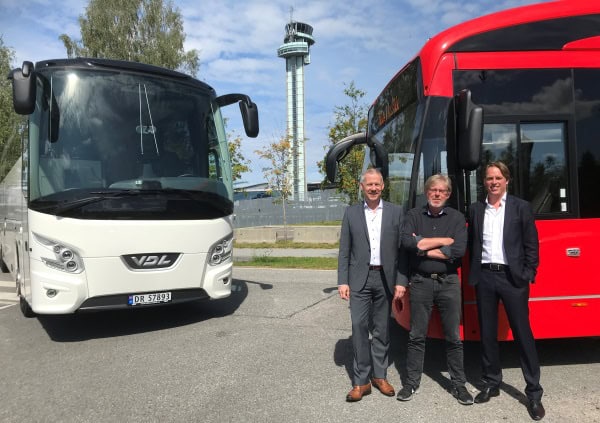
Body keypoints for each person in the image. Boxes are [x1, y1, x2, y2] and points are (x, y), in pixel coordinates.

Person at [468, 161, 545, 421]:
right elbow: (473, 244)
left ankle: (534, 393)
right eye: (489, 178)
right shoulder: (476, 209)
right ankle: (491, 382)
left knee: (523, 333)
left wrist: (528, 273)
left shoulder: (521, 207)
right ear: (484, 182)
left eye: (498, 178)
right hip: (485, 277)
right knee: (487, 333)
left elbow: (531, 244)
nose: (493, 182)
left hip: (512, 279)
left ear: (506, 180)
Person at [396, 174, 473, 405]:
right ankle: (411, 383)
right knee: (416, 336)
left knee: (453, 337)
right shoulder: (413, 215)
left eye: (442, 191)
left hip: (449, 283)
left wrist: (421, 246)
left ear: (448, 194)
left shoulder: (457, 218)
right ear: (426, 191)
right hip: (420, 282)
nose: (437, 194)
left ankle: (459, 385)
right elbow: (407, 243)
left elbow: (458, 251)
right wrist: (444, 241)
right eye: (433, 190)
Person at [338, 167, 408, 402]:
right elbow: (344, 250)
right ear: (362, 187)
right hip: (360, 278)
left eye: (377, 184)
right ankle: (361, 381)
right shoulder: (351, 213)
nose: (374, 188)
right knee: (359, 326)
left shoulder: (396, 212)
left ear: (383, 186)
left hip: (386, 278)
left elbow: (402, 252)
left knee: (382, 330)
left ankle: (380, 376)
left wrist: (401, 281)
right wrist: (342, 281)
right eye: (369, 184)